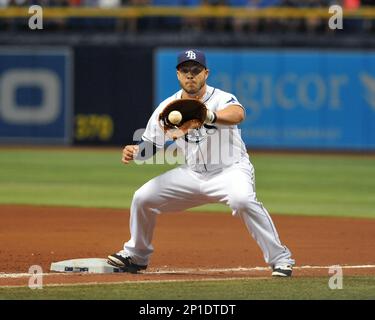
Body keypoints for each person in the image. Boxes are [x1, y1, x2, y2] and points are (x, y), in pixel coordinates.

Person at [107, 49, 295, 277]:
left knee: (242, 200)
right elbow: (151, 146)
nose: (190, 76)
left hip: (231, 170)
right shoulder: (168, 107)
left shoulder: (220, 97)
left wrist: (210, 116)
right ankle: (137, 256)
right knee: (143, 198)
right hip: (193, 175)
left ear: (206, 73)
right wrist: (135, 152)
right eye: (185, 71)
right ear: (178, 74)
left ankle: (280, 259)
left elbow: (238, 114)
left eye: (195, 71)